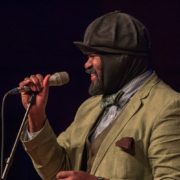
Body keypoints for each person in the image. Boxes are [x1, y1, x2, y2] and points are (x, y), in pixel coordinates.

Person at [20, 11, 180, 180]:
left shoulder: (168, 107)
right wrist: (36, 118)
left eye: (93, 56)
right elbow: (58, 172)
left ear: (121, 59)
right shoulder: (90, 107)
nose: (86, 65)